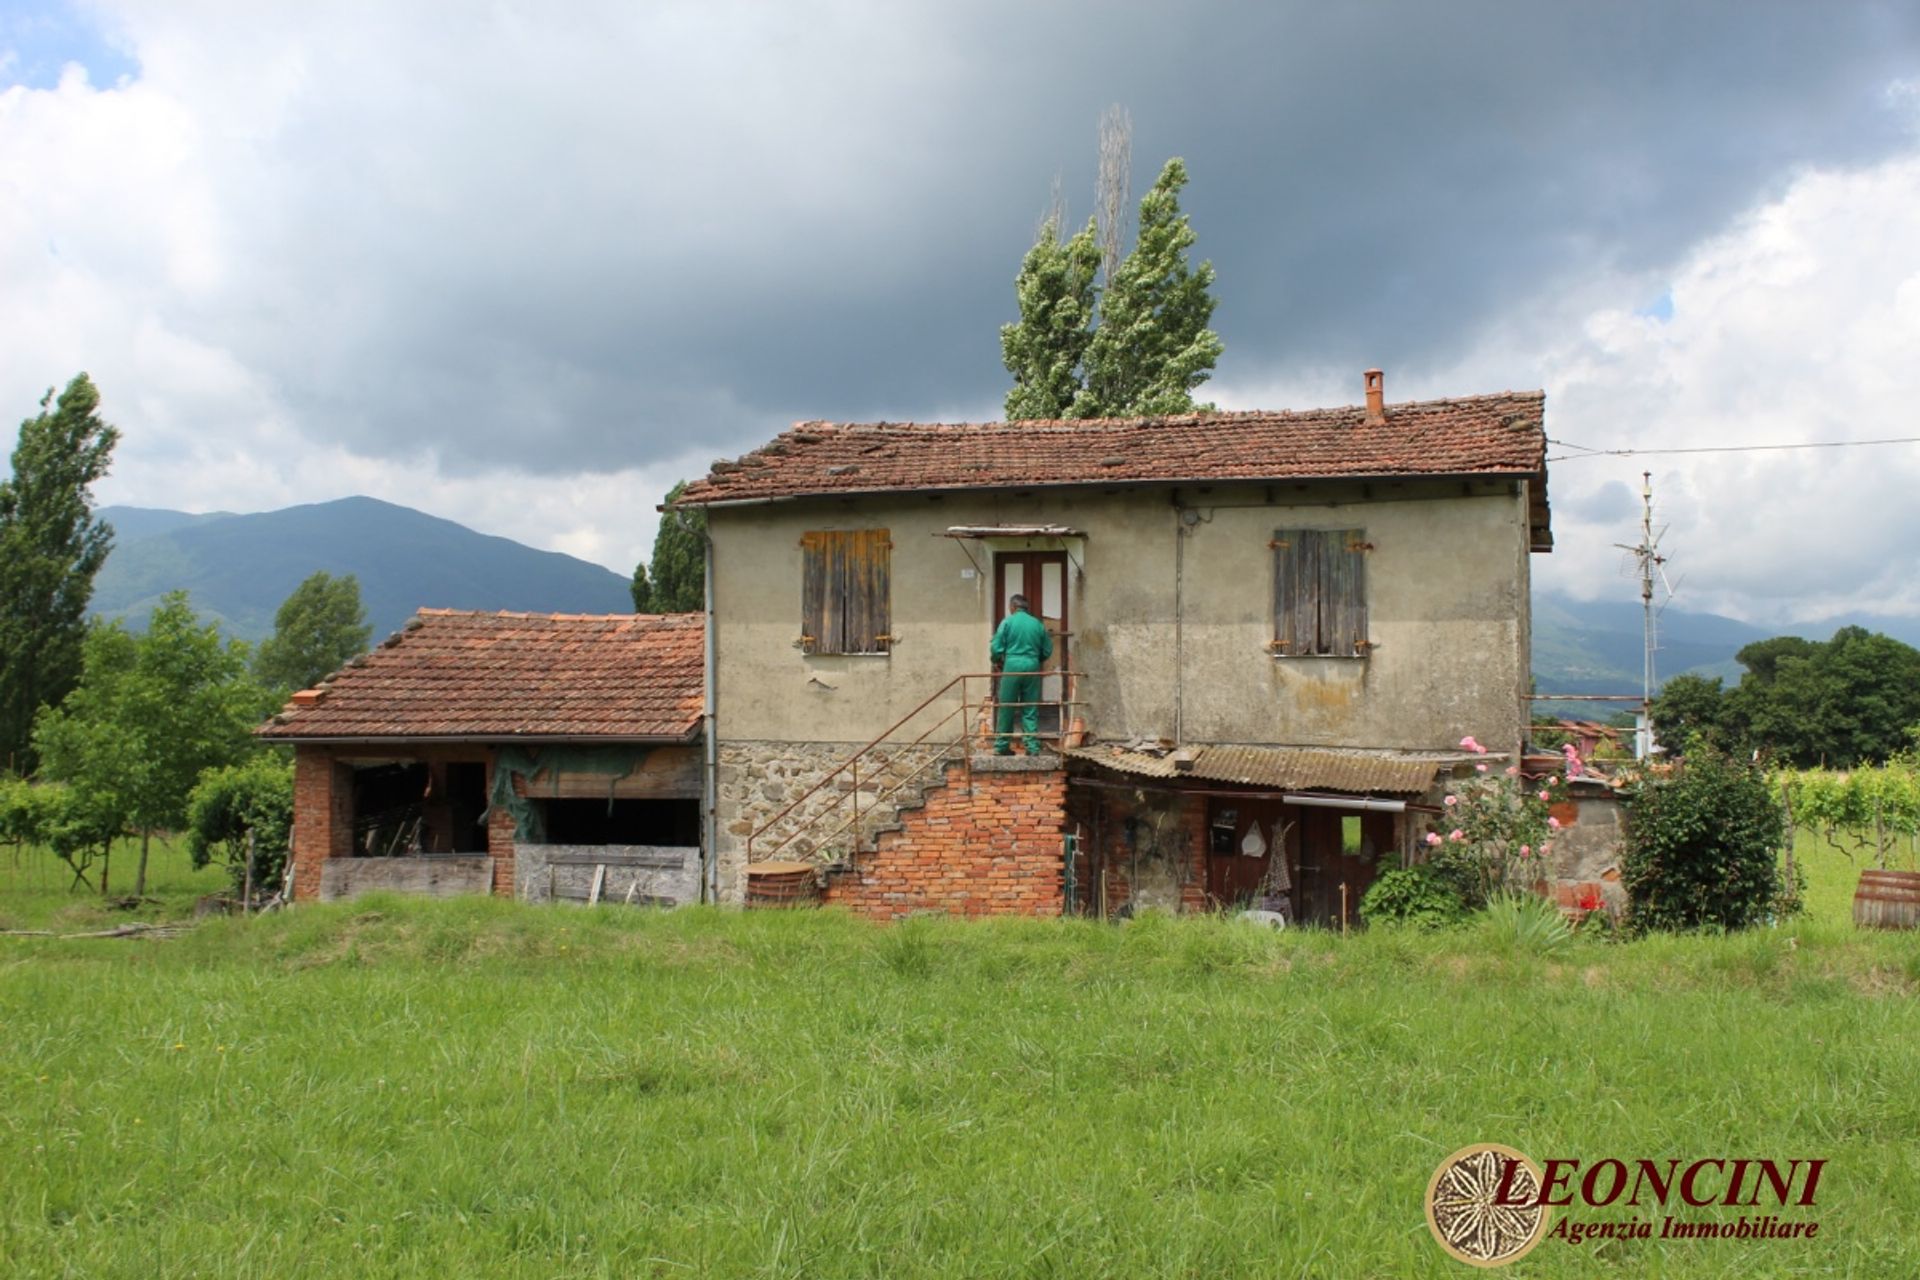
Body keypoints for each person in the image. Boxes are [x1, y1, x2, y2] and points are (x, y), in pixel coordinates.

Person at [989, 593, 1053, 755]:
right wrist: (1035, 659)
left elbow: (996, 647)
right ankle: (1032, 747)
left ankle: (1002, 746)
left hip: (1012, 665)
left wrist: (997, 660)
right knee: (1030, 707)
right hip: (1032, 665)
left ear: (1012, 607)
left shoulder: (1008, 622)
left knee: (1007, 706)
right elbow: (1047, 649)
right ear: (1026, 607)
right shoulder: (1037, 624)